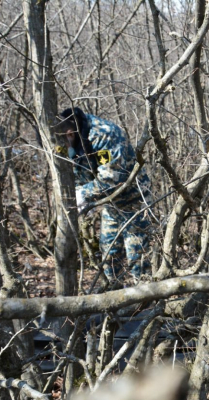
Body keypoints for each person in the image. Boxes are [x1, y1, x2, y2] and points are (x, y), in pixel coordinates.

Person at [55, 107, 154, 286]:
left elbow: (111, 179)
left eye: (64, 145)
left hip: (135, 202)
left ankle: (145, 304)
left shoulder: (102, 136)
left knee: (137, 257)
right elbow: (79, 172)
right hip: (111, 204)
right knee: (109, 254)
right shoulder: (72, 139)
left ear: (69, 134)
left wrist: (83, 194)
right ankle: (115, 299)